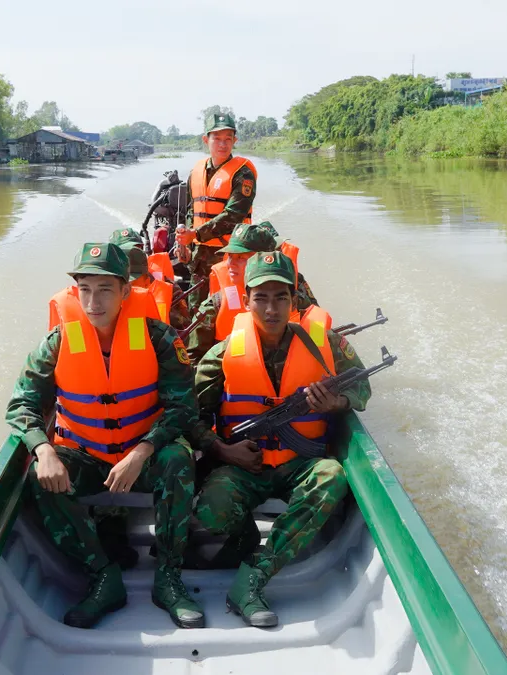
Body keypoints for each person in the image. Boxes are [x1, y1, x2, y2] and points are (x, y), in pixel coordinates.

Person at [5, 242, 204, 629]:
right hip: (88, 455)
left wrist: (143, 450)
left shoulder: (159, 337)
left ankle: (168, 576)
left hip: (141, 457)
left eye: (105, 290)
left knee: (177, 460)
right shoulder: (59, 341)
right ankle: (102, 576)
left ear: (126, 291)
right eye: (85, 290)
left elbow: (184, 408)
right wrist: (43, 448)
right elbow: (21, 403)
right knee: (38, 475)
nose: (93, 302)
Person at [188, 251, 370, 628]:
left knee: (331, 476)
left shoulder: (325, 345)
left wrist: (335, 401)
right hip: (244, 465)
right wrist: (222, 449)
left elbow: (362, 386)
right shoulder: (224, 353)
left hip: (302, 463)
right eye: (261, 298)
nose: (271, 309)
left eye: (280, 298)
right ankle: (242, 538)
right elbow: (187, 412)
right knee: (211, 509)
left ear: (294, 300)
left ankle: (255, 575)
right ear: (248, 298)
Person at [186, 222, 318, 362]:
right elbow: (193, 359)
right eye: (230, 256)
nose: (230, 264)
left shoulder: (296, 294)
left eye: (241, 258)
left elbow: (319, 332)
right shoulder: (216, 303)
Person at [178, 113, 257, 308]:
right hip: (199, 256)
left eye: (228, 139)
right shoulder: (196, 171)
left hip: (231, 257)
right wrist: (184, 241)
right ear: (206, 140)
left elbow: (234, 215)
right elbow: (191, 210)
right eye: (217, 139)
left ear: (234, 141)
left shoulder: (243, 173)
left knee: (229, 307)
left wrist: (195, 234)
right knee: (196, 309)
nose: (223, 144)